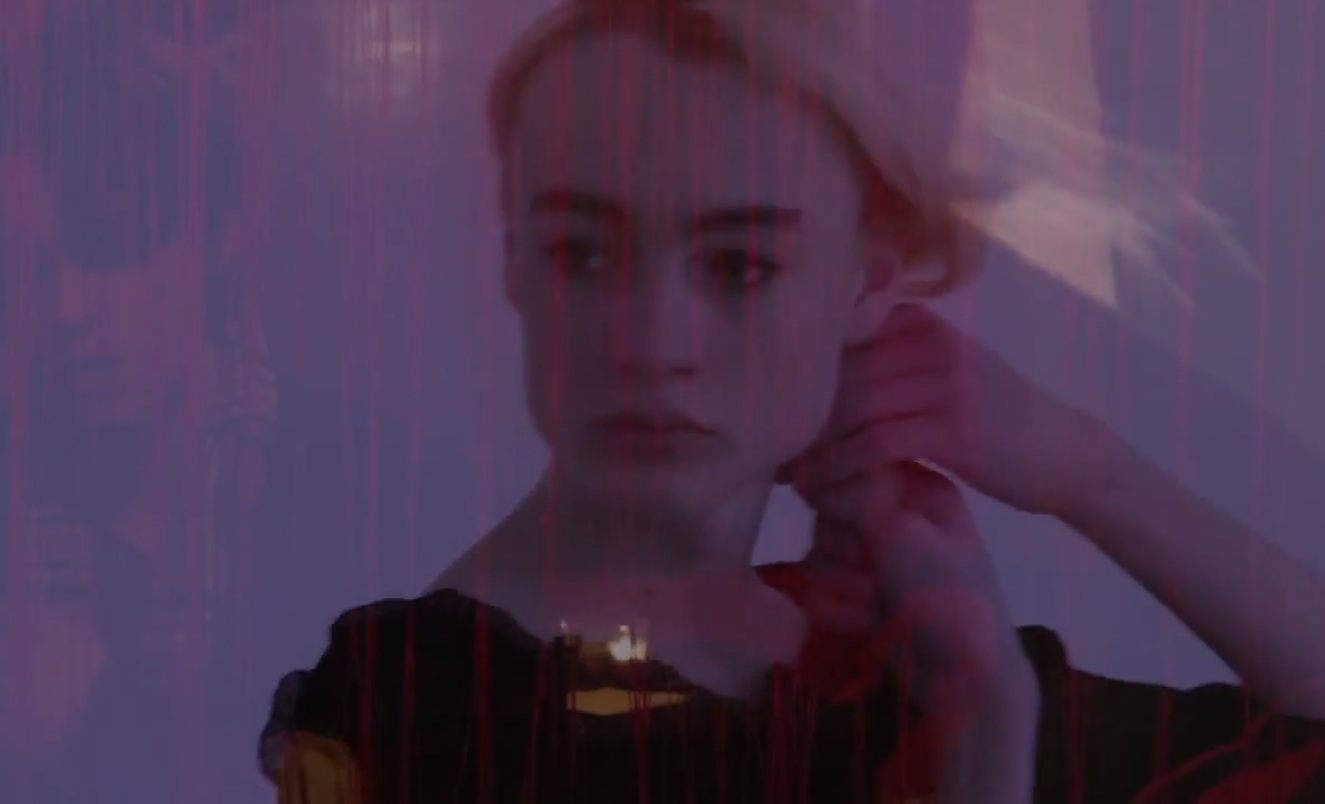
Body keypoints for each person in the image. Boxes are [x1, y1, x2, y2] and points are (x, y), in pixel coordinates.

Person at [260, 0, 1325, 801]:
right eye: (582, 251)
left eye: (739, 265)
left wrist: (1086, 470)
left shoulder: (887, 673)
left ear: (868, 284)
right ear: (516, 267)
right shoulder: (419, 708)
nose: (652, 344)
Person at [0, 4, 276, 802]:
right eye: (23, 270)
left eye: (106, 247)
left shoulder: (338, 480)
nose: (66, 308)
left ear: (219, 239)